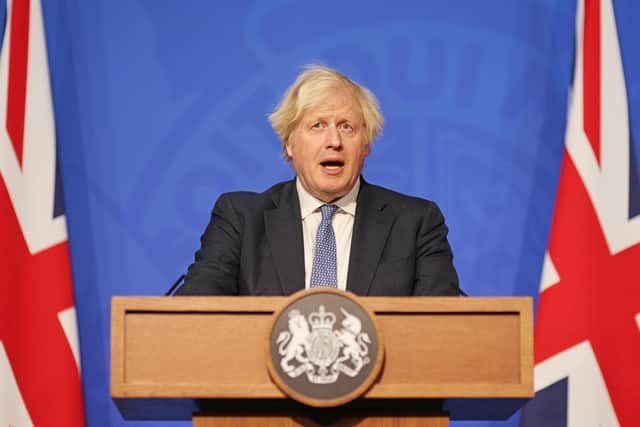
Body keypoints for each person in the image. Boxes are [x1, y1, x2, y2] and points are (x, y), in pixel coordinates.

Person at [176, 65, 459, 296]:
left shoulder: (416, 223)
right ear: (289, 143)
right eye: (318, 126)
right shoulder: (242, 219)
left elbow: (440, 330)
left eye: (347, 127)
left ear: (366, 145)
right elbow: (195, 314)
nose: (333, 141)